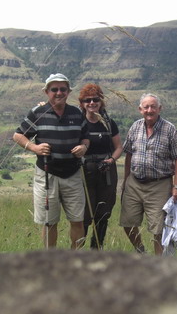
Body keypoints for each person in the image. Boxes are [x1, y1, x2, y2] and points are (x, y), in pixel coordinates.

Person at [13, 73, 90, 249]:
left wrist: (84, 147)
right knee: (49, 222)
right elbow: (18, 135)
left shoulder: (77, 113)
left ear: (69, 91)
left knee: (77, 220)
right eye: (54, 89)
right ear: (46, 92)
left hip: (73, 174)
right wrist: (35, 148)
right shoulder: (38, 113)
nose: (58, 92)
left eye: (63, 89)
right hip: (47, 175)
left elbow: (85, 138)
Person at [119, 93, 177, 255]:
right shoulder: (135, 127)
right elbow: (128, 154)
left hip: (159, 185)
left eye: (153, 106)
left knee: (158, 229)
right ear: (140, 109)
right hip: (134, 183)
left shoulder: (170, 130)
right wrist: (126, 180)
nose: (150, 110)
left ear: (159, 109)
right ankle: (141, 252)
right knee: (128, 222)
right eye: (146, 107)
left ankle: (158, 264)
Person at [77, 83, 123, 250]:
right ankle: (79, 251)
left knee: (103, 213)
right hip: (85, 171)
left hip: (106, 172)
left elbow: (118, 147)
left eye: (95, 99)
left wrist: (111, 160)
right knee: (85, 214)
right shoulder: (79, 123)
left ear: (101, 101)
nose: (91, 103)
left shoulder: (109, 123)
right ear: (82, 103)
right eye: (87, 100)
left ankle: (97, 248)